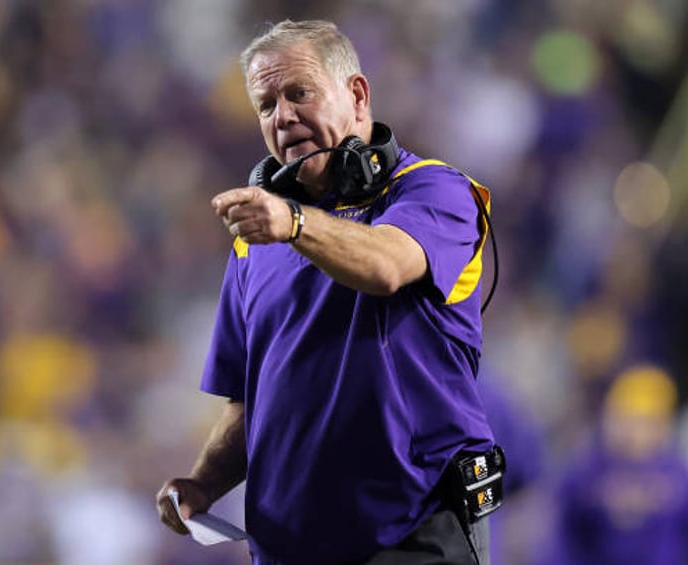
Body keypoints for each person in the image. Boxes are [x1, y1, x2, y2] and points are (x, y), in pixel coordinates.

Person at [156, 19, 501, 565]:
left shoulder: (435, 189)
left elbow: (387, 264)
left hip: (412, 536)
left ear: (357, 96)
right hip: (291, 548)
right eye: (266, 105)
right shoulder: (256, 241)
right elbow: (251, 403)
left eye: (299, 93)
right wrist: (202, 484)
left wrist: (292, 222)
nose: (283, 116)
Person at [545, 364, 688, 565]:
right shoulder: (586, 472)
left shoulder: (679, 475)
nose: (634, 431)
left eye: (645, 421)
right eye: (625, 418)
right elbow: (560, 541)